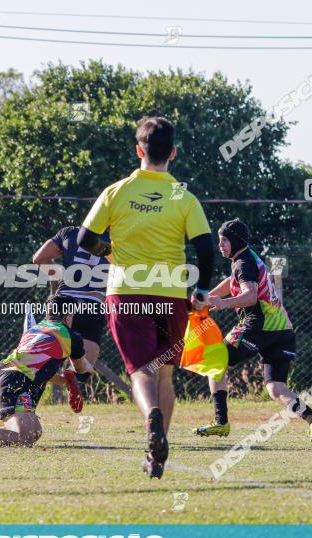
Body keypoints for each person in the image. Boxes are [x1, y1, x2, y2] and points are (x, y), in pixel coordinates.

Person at [78, 116, 216, 479]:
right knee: (165, 374)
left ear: (139, 150)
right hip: (171, 297)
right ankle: (157, 457)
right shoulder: (183, 197)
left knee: (141, 372)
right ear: (172, 153)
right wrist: (200, 291)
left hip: (126, 294)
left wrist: (109, 250)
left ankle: (150, 416)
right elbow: (206, 249)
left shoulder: (117, 191)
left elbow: (84, 239)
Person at [194, 219, 312, 442]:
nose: (220, 245)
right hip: (283, 329)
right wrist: (207, 297)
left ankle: (220, 422)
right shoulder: (247, 259)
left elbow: (251, 296)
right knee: (276, 388)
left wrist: (222, 303)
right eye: (219, 241)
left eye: (224, 240)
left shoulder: (243, 263)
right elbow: (232, 281)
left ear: (235, 241)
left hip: (259, 325)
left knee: (214, 361)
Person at [0, 295, 93, 448]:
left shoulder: (35, 330)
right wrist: (88, 369)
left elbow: (35, 370)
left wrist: (65, 381)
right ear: (68, 316)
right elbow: (81, 368)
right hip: (15, 382)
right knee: (25, 437)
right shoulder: (69, 336)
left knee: (34, 432)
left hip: (0, 378)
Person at [32, 226, 109, 393]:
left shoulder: (70, 232)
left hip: (62, 302)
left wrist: (59, 275)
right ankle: (69, 377)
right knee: (82, 372)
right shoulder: (120, 238)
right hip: (93, 304)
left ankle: (33, 384)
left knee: (42, 361)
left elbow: (39, 259)